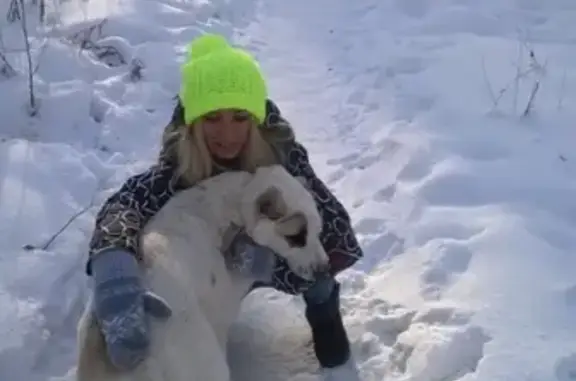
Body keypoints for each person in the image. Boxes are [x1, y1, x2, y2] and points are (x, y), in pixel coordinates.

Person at [85, 33, 364, 372]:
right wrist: (114, 268)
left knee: (315, 255)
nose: (228, 134)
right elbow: (124, 204)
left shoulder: (281, 154)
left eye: (240, 117)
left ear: (255, 119)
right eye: (212, 118)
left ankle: (323, 310)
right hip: (216, 259)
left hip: (268, 254)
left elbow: (336, 230)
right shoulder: (182, 165)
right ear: (194, 123)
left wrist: (269, 262)